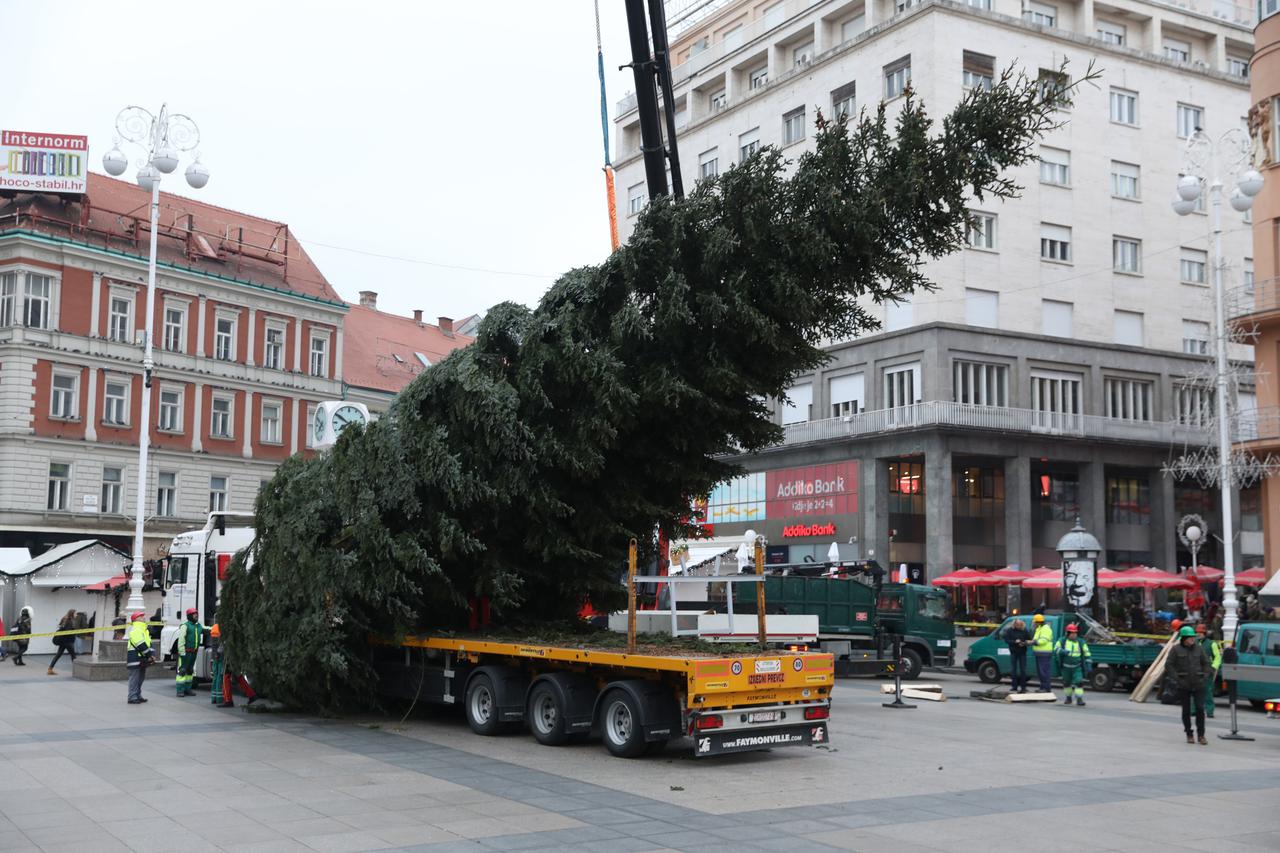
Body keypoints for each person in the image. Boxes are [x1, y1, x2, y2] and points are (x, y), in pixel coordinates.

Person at [1166, 624, 1212, 745]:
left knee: (1200, 709)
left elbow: (1207, 663)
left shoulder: (1199, 649)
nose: (1193, 639)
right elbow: (1169, 665)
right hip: (1184, 684)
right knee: (1186, 710)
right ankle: (1189, 733)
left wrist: (1205, 676)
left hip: (1198, 683)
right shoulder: (1176, 649)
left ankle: (1201, 735)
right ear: (1183, 638)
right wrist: (1177, 679)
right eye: (1190, 637)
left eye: (1193, 637)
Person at [1055, 622, 1092, 706]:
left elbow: (1087, 653)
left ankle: (1079, 699)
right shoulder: (1062, 640)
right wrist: (1062, 651)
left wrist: (1089, 663)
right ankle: (1068, 698)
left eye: (1075, 633)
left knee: (1079, 682)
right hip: (1066, 667)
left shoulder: (1081, 642)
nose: (1074, 635)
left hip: (1077, 667)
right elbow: (1055, 649)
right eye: (1072, 633)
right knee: (1066, 683)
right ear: (1067, 633)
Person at [126, 611, 155, 705]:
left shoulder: (144, 630)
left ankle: (137, 695)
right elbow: (140, 643)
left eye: (143, 616)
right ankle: (132, 697)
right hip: (135, 657)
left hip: (142, 657)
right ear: (136, 619)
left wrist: (151, 654)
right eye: (141, 616)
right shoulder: (136, 629)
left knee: (140, 678)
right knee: (134, 678)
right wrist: (149, 654)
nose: (144, 617)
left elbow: (149, 643)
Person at [175, 608, 204, 697]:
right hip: (185, 652)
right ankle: (180, 690)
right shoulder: (185, 626)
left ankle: (188, 689)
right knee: (182, 670)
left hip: (193, 652)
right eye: (194, 614)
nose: (196, 616)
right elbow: (181, 639)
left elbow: (208, 629)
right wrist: (182, 652)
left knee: (190, 671)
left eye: (197, 614)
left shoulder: (198, 626)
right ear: (189, 616)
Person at [1197, 623, 1222, 720]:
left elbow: (1217, 658)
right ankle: (1194, 710)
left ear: (1205, 633)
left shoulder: (1212, 644)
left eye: (1201, 632)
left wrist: (1213, 667)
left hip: (1207, 671)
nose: (1199, 634)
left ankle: (1209, 711)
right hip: (1196, 670)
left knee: (1208, 691)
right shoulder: (1194, 642)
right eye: (1198, 632)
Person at [47, 609, 79, 675]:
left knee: (58, 654)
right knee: (73, 656)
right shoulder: (70, 621)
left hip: (63, 641)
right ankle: (77, 672)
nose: (76, 615)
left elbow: (61, 628)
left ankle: (50, 669)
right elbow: (68, 632)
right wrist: (74, 632)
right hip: (68, 641)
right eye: (75, 613)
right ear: (72, 614)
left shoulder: (65, 619)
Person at [1004, 618, 1031, 693]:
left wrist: (1024, 643)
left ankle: (1023, 687)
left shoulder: (1024, 630)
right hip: (1013, 652)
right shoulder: (1010, 630)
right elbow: (1006, 640)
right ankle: (1014, 686)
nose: (1019, 626)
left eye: (1020, 625)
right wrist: (1014, 642)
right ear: (1014, 624)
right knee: (1013, 670)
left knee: (1023, 670)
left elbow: (1029, 639)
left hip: (1022, 652)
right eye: (1017, 625)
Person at [1031, 613, 1055, 694]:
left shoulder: (1045, 629)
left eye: (1035, 622)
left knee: (1044, 671)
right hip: (1040, 653)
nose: (1034, 623)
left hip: (1044, 653)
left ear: (1038, 622)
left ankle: (1046, 688)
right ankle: (1043, 687)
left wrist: (1033, 642)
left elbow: (1043, 641)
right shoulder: (1040, 628)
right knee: (1041, 671)